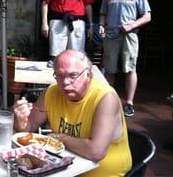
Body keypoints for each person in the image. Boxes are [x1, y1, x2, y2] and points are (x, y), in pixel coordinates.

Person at [13, 49, 132, 177]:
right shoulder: (51, 92)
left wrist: (60, 138)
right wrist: (20, 119)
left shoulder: (105, 98)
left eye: (73, 75)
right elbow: (29, 126)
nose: (65, 82)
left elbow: (96, 152)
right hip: (65, 170)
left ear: (88, 74)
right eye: (59, 75)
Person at [99, 0, 151, 118]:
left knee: (130, 69)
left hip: (130, 35)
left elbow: (147, 16)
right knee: (109, 69)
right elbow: (103, 13)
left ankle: (129, 103)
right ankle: (109, 102)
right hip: (112, 35)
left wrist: (132, 25)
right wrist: (101, 25)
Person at [41, 0, 94, 67]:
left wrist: (91, 24)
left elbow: (88, 5)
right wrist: (44, 23)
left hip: (77, 22)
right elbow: (45, 2)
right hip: (58, 20)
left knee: (77, 57)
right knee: (56, 57)